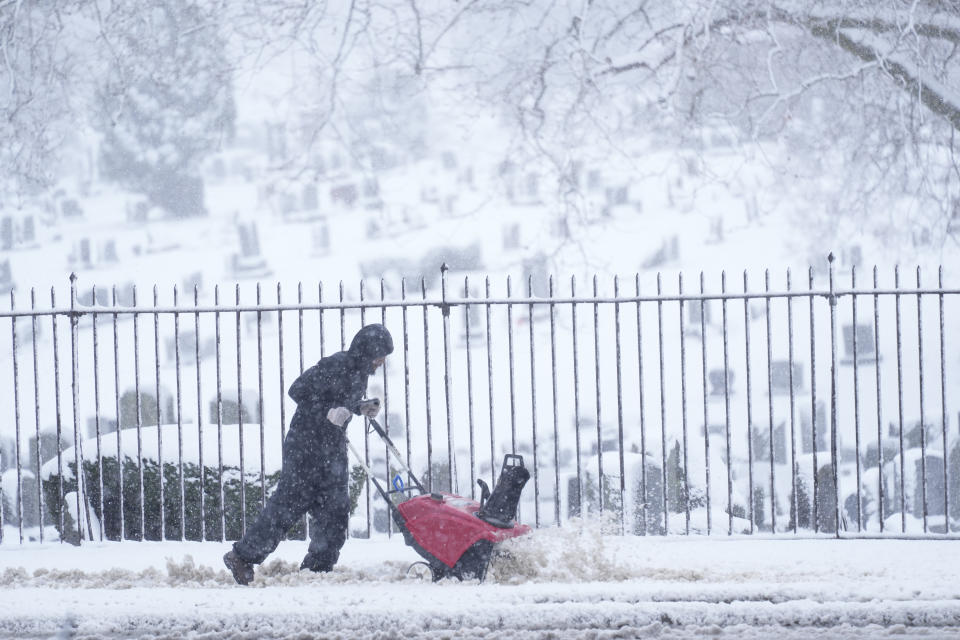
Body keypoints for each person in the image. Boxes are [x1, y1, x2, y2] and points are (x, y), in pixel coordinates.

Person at [223, 323, 394, 585]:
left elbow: (341, 403)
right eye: (380, 356)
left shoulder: (360, 374)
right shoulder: (335, 365)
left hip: (332, 447)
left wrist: (360, 408)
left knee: (335, 509)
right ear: (368, 351)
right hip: (305, 445)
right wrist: (327, 411)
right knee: (288, 506)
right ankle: (241, 556)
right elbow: (298, 390)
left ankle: (317, 569)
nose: (381, 363)